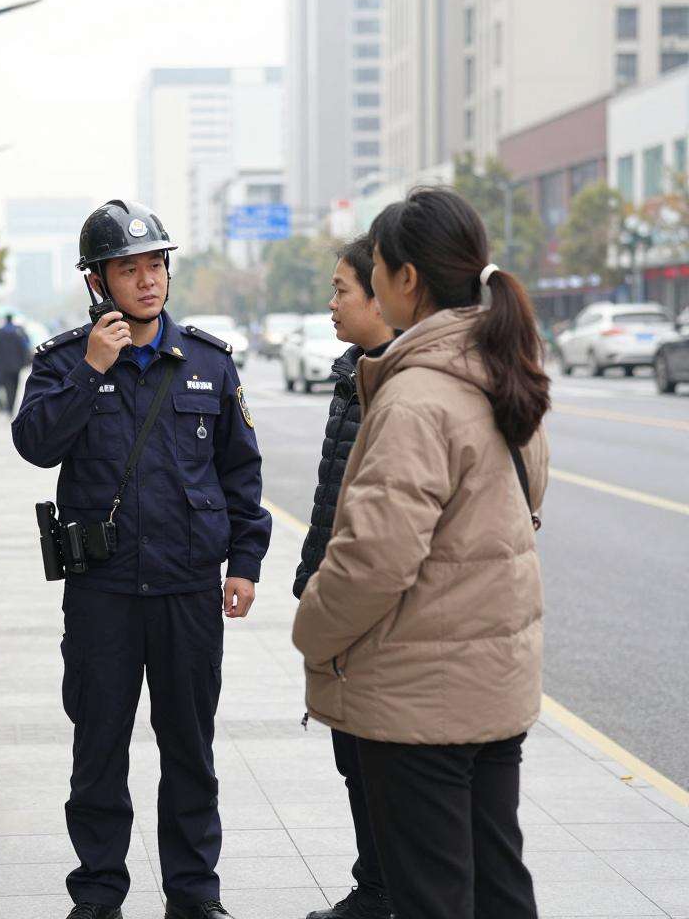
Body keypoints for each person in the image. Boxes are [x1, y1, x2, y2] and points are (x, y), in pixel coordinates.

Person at [292, 187, 550, 919]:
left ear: (408, 280)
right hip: (493, 682)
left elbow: (375, 558)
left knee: (433, 898)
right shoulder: (503, 367)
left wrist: (311, 628)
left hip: (420, 699)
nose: (370, 280)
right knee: (498, 885)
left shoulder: (418, 397)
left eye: (375, 266)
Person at [12, 199, 272, 919]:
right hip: (102, 593)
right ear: (99, 281)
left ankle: (194, 896)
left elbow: (241, 476)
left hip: (188, 590)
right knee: (99, 750)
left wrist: (245, 563)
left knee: (190, 750)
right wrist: (92, 372)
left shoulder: (209, 364)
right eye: (130, 268)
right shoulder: (64, 362)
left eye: (155, 264)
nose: (149, 280)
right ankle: (98, 894)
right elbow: (35, 446)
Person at [292, 234, 395, 919]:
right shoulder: (349, 372)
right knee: (351, 755)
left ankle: (389, 890)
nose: (331, 303)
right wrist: (307, 574)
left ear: (383, 294)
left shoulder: (400, 387)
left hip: (375, 612)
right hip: (335, 593)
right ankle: (375, 884)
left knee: (382, 759)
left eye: (341, 290)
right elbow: (331, 496)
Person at [0, 313, 31, 414]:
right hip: (16, 366)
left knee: (7, 386)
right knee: (15, 386)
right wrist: (24, 363)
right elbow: (24, 349)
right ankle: (11, 406)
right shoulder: (18, 333)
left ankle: (8, 406)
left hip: (2, 365)